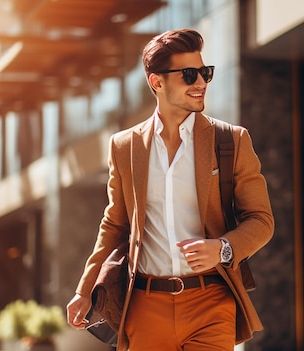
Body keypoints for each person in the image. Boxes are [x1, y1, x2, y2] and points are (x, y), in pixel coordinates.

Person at [66, 28, 274, 350]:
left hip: (212, 302)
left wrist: (222, 248)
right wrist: (84, 289)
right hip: (146, 306)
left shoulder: (231, 141)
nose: (201, 83)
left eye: (205, 73)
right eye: (189, 75)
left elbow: (261, 220)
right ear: (157, 82)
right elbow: (116, 223)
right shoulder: (125, 147)